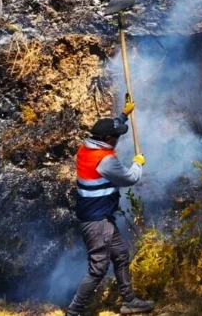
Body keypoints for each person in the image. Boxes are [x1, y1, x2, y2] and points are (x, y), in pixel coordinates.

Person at [66, 99, 155, 316]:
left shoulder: (86, 148)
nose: (117, 140)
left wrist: (123, 116)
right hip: (97, 222)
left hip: (101, 218)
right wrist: (138, 162)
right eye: (115, 137)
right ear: (108, 140)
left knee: (121, 254)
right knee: (98, 270)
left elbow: (110, 130)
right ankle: (74, 312)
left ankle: (129, 301)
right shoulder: (104, 160)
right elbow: (130, 178)